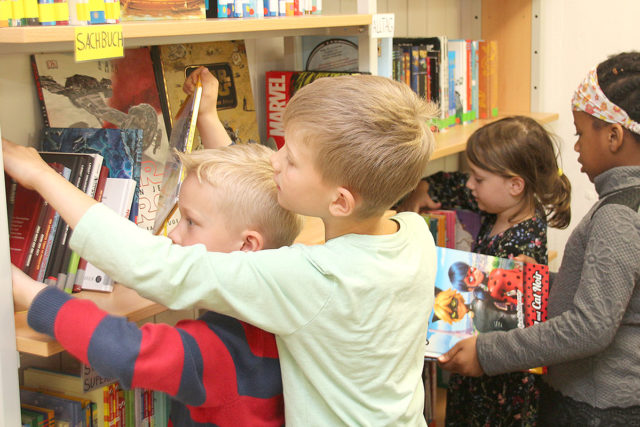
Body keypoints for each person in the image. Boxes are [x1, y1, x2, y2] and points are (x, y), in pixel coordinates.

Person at [4, 74, 439, 425]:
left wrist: (42, 176)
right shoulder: (413, 234)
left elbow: (157, 266)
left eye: (291, 161)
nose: (275, 160)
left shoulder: (312, 277)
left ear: (339, 201)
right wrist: (208, 118)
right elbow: (251, 205)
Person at [12, 142, 302, 427]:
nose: (174, 235)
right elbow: (239, 205)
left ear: (248, 244)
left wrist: (25, 290)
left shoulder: (222, 350)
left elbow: (125, 352)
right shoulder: (283, 308)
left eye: (190, 222)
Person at [439, 51, 640, 426]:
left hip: (595, 408)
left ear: (613, 136)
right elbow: (616, 292)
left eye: (581, 134)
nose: (576, 147)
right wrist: (545, 284)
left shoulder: (618, 216)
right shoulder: (625, 205)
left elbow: (590, 327)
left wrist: (488, 353)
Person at [398, 115, 571, 426]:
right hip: (478, 365)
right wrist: (424, 189)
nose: (469, 185)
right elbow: (449, 185)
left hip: (498, 379)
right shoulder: (501, 204)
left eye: (478, 178)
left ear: (515, 185)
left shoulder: (522, 247)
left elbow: (505, 327)